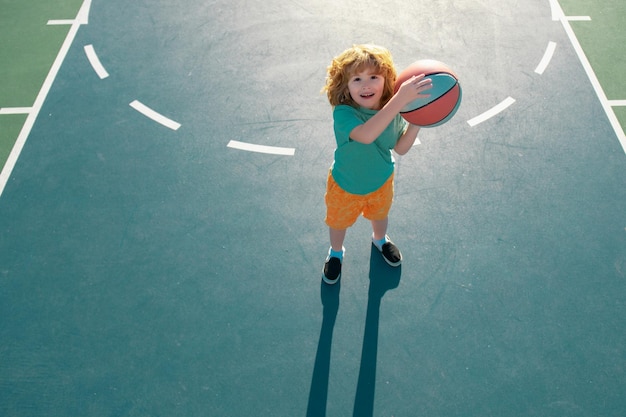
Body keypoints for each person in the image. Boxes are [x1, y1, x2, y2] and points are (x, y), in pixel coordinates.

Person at [321, 44, 432, 285]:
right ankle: (336, 253)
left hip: (381, 181)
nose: (366, 85)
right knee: (338, 224)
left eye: (374, 77)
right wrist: (400, 99)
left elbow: (401, 148)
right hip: (345, 185)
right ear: (345, 86)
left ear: (386, 80)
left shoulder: (393, 111)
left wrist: (418, 119)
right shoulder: (344, 114)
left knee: (380, 216)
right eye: (357, 79)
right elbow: (367, 134)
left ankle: (380, 240)